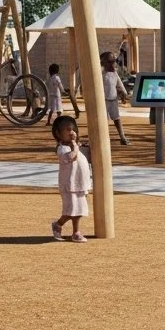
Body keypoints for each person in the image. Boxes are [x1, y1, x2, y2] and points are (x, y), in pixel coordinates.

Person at [51, 115, 92, 243]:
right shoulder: (62, 148)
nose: (71, 133)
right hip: (69, 185)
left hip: (80, 183)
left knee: (79, 209)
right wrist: (75, 144)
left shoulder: (75, 146)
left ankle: (76, 232)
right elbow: (71, 157)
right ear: (58, 134)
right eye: (68, 130)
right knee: (71, 209)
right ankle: (58, 223)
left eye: (73, 129)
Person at [101, 52, 130, 146]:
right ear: (103, 63)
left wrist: (124, 93)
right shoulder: (101, 74)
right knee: (102, 121)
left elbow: (119, 83)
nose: (113, 63)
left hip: (113, 100)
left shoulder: (114, 73)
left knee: (117, 119)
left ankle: (122, 137)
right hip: (103, 101)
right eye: (110, 61)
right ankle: (102, 139)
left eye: (114, 61)